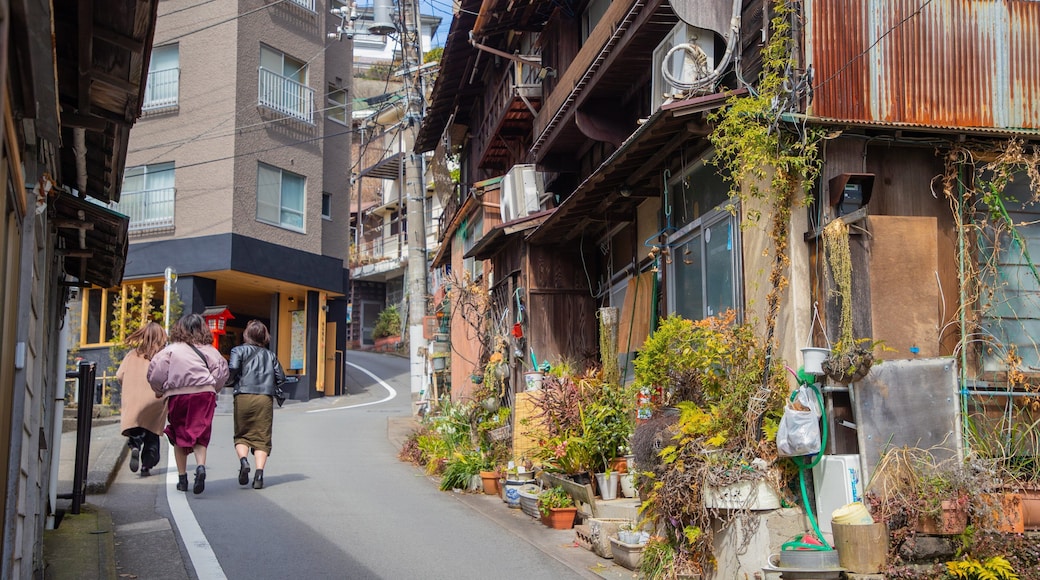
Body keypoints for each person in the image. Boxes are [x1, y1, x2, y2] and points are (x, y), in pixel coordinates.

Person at [148, 313, 229, 494]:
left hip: (179, 395)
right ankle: (200, 466)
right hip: (204, 395)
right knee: (201, 433)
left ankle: (182, 479)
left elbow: (156, 372)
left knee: (179, 433)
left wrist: (159, 390)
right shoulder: (210, 350)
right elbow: (222, 371)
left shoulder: (171, 350)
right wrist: (213, 387)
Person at [227, 320, 286, 490]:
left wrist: (229, 382)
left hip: (243, 395)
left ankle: (244, 461)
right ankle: (259, 475)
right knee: (262, 438)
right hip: (264, 398)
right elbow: (281, 378)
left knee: (242, 434)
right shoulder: (271, 355)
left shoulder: (238, 350)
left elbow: (233, 369)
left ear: (247, 334)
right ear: (264, 336)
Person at [117, 322, 168, 477]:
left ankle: (135, 445)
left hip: (133, 398)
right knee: (152, 432)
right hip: (155, 399)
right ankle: (146, 465)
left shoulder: (132, 354)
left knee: (137, 427)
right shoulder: (163, 356)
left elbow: (119, 375)